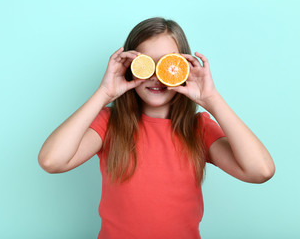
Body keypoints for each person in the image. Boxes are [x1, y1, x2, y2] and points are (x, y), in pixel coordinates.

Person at [38, 17, 275, 239]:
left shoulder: (198, 129)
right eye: (146, 64)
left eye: (167, 64)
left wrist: (212, 99)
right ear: (130, 67)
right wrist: (104, 93)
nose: (156, 76)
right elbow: (52, 161)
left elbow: (261, 170)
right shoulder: (110, 123)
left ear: (183, 68)